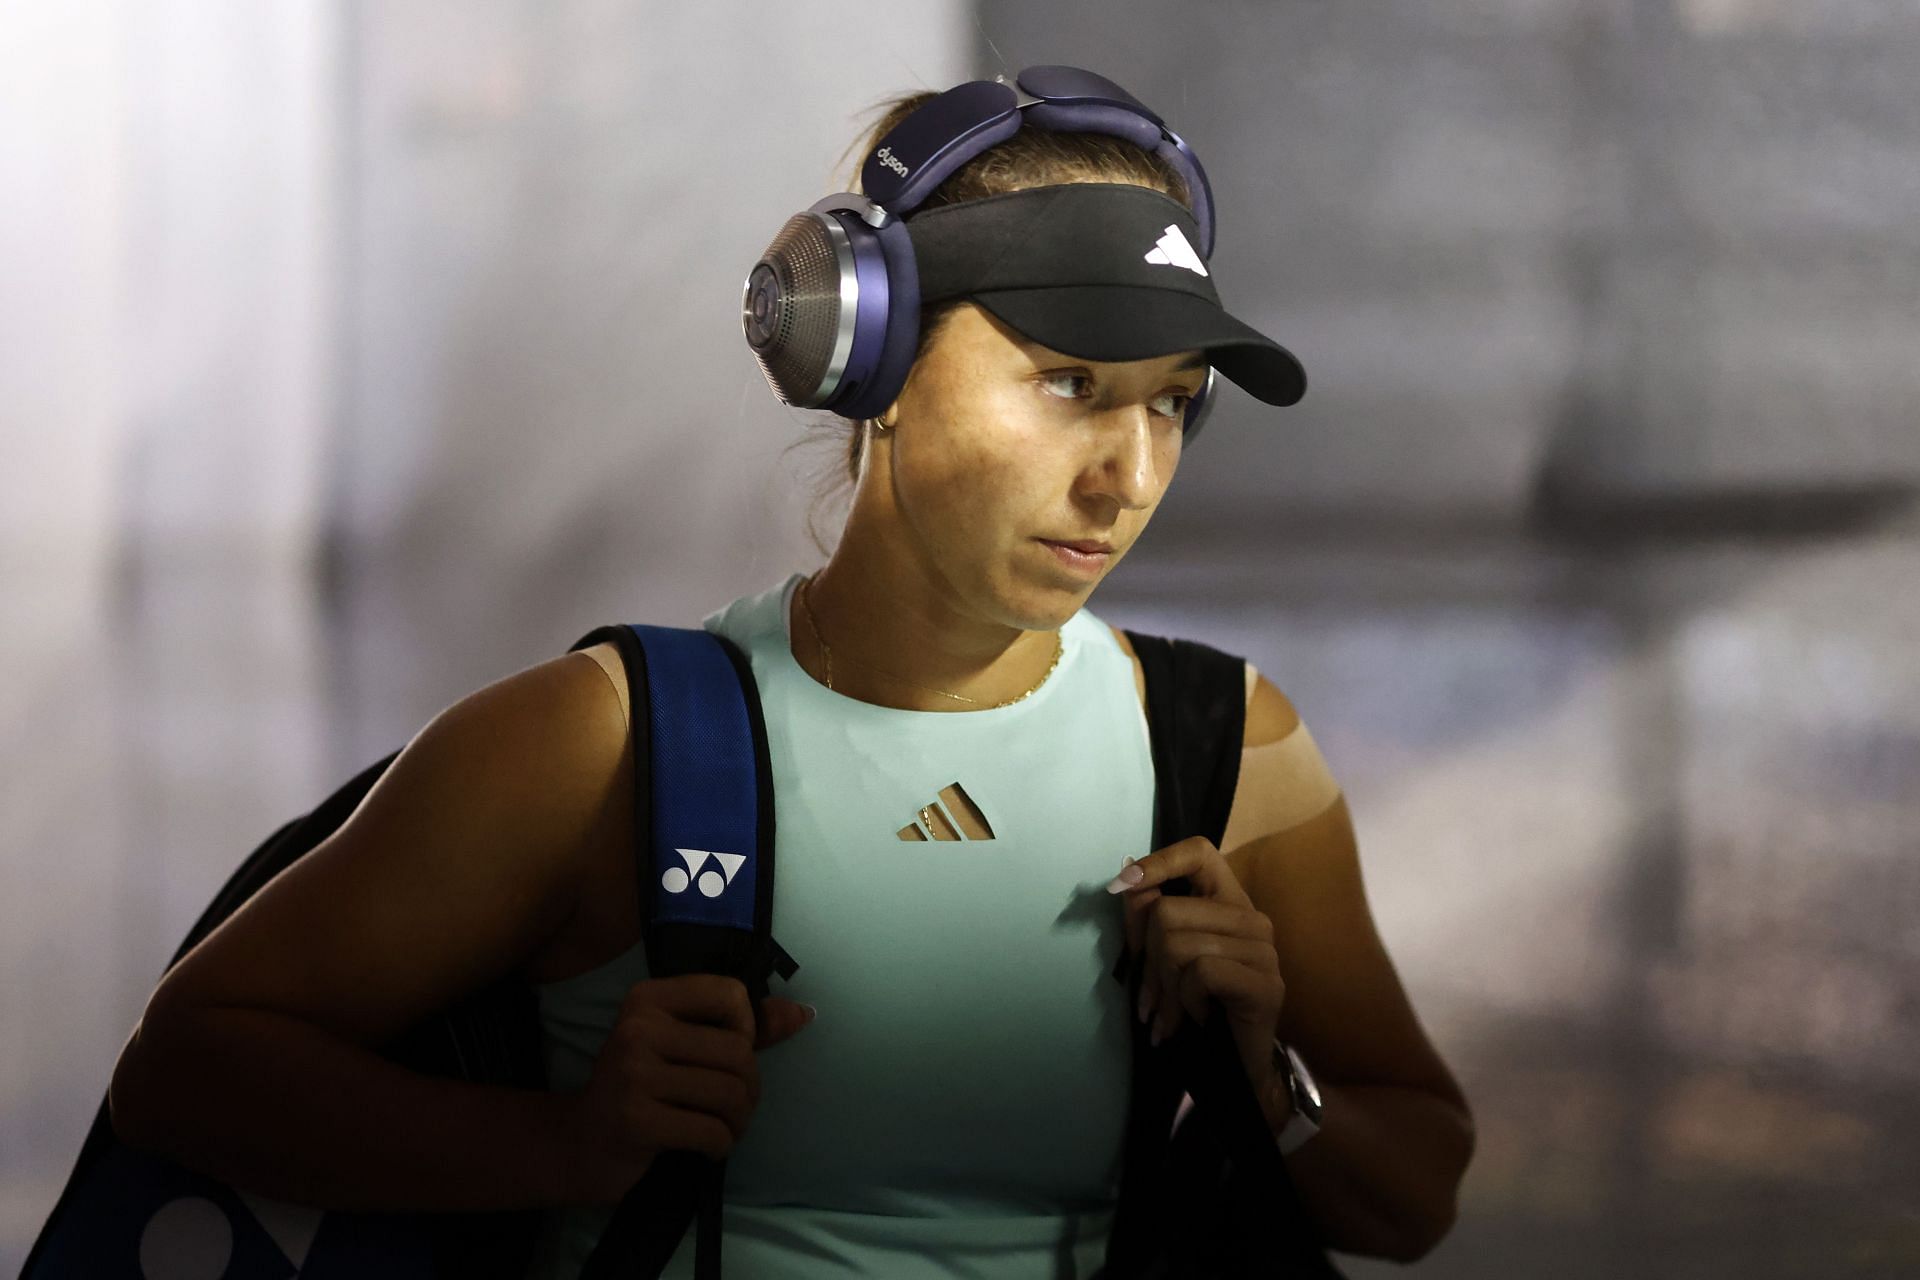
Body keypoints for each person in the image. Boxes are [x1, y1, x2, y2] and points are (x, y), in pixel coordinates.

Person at [106, 72, 1475, 1278]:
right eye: (1067, 383)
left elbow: (1411, 1194)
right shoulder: (605, 746)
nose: (1128, 475)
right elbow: (192, 1066)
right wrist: (557, 1145)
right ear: (864, 354)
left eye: (1171, 401)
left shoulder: (1224, 750)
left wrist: (1262, 1081)